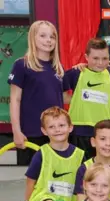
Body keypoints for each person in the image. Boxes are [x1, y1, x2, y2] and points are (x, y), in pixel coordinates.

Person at [9, 20, 64, 165]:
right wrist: (16, 131)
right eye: (43, 36)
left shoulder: (57, 68)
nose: (48, 40)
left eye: (52, 37)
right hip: (31, 134)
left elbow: (59, 97)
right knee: (32, 182)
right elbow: (15, 99)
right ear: (33, 38)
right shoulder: (22, 65)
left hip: (56, 134)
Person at [64, 38, 110, 160]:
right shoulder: (77, 73)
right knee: (79, 170)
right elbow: (58, 92)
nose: (100, 62)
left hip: (102, 132)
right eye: (95, 58)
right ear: (86, 57)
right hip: (78, 131)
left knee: (100, 171)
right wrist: (75, 100)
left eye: (105, 58)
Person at [25, 107, 84, 201]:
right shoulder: (41, 154)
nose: (57, 130)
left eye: (61, 125)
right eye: (51, 127)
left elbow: (84, 186)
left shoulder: (80, 155)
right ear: (44, 131)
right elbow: (30, 182)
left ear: (70, 127)